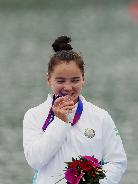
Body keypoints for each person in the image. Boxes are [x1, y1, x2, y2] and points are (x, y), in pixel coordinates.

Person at [23, 36, 127, 184]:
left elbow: (117, 162)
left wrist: (95, 182)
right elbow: (35, 160)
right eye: (60, 81)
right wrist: (60, 123)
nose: (67, 87)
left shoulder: (100, 116)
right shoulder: (33, 115)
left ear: (83, 79)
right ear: (48, 79)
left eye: (75, 80)